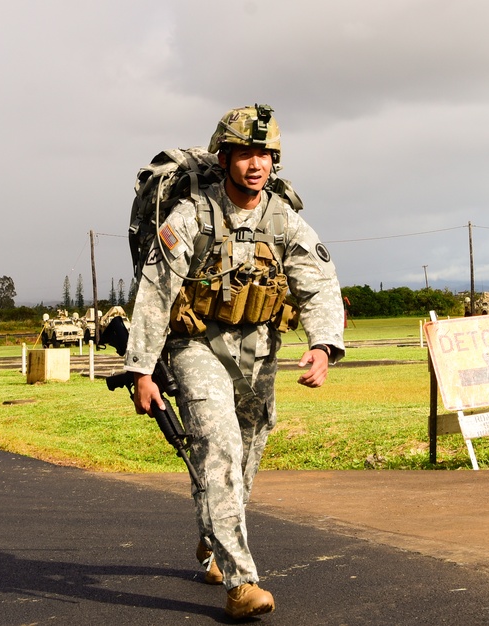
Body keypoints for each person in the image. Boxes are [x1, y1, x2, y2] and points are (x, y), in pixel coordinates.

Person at [124, 104, 345, 619]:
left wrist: (322, 345)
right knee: (219, 448)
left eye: (266, 154)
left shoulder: (283, 219)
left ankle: (212, 536)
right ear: (224, 157)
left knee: (244, 461)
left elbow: (318, 283)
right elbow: (156, 292)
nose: (256, 163)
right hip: (197, 348)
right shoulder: (192, 215)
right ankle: (242, 584)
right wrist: (140, 370)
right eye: (245, 152)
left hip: (260, 351)